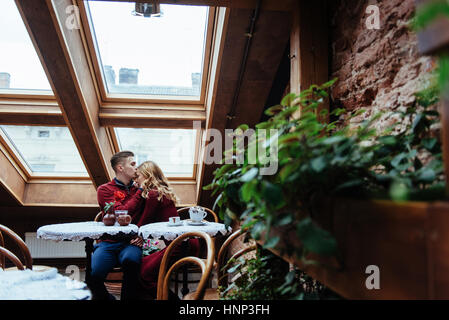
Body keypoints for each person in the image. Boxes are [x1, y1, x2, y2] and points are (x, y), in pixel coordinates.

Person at [133, 161, 200, 299]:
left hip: (181, 243)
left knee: (144, 273)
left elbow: (146, 220)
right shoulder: (158, 192)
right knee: (144, 268)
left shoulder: (153, 194)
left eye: (137, 177)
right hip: (182, 241)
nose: (135, 180)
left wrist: (134, 235)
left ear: (147, 176)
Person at [88, 150, 145, 300]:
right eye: (132, 164)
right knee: (94, 275)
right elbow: (121, 213)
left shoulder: (138, 187)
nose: (136, 168)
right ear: (120, 168)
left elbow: (148, 216)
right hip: (108, 242)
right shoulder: (105, 189)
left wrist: (142, 236)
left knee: (131, 262)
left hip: (132, 242)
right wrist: (140, 191)